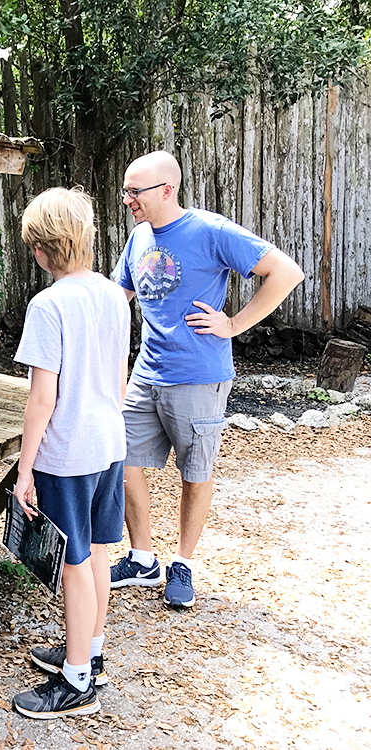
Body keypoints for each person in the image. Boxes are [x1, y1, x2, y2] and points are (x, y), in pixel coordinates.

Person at [111, 151, 304, 608]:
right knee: (121, 459)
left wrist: (234, 324)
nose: (127, 200)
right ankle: (142, 558)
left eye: (134, 192)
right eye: (125, 191)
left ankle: (183, 563)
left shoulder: (210, 230)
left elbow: (286, 272)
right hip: (146, 374)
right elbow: (119, 297)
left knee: (194, 472)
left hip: (198, 377)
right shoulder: (138, 238)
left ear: (167, 189)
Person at [9, 187, 131, 720]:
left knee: (73, 564)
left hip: (68, 453)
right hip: (109, 444)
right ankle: (90, 650)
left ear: (40, 249)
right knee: (98, 553)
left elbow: (43, 397)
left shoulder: (48, 304)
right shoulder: (111, 294)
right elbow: (120, 372)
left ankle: (77, 680)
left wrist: (25, 466)